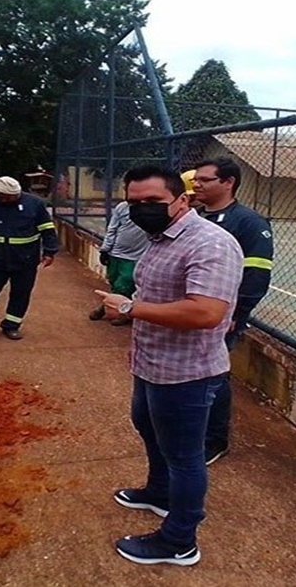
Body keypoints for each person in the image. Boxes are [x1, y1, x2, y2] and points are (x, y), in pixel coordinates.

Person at [95, 164, 243, 566]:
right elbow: (159, 292)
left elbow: (206, 312)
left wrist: (130, 307)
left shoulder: (210, 243)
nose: (142, 209)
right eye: (134, 202)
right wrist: (135, 315)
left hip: (188, 373)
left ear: (182, 200)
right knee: (147, 427)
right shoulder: (159, 238)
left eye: (153, 202)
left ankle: (180, 539)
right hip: (152, 363)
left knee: (184, 455)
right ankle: (160, 494)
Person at [190, 157, 275, 466]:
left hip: (224, 315)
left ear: (228, 183)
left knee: (214, 375)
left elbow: (257, 272)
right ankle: (192, 428)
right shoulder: (195, 217)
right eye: (196, 178)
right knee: (190, 372)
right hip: (192, 310)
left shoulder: (249, 222)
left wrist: (238, 313)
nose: (196, 184)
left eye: (205, 179)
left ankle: (215, 440)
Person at [0, 176, 59, 342]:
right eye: (3, 196)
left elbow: (47, 230)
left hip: (26, 258)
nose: (7, 199)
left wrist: (49, 252)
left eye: (11, 196)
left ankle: (11, 326)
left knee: (21, 292)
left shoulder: (35, 204)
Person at [89, 200, 149, 326]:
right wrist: (105, 249)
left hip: (136, 256)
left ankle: (119, 312)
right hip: (115, 253)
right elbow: (112, 228)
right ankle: (110, 306)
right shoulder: (122, 207)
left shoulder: (152, 209)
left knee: (124, 283)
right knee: (114, 281)